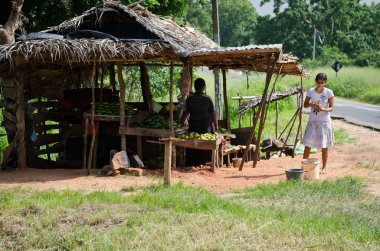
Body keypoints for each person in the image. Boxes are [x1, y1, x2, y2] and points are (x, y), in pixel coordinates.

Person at [180, 78, 219, 166]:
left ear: (194, 86)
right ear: (204, 87)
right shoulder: (207, 98)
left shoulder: (190, 98)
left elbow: (186, 112)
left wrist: (181, 122)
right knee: (206, 142)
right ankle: (206, 162)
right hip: (206, 125)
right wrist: (216, 125)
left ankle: (193, 163)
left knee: (193, 142)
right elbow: (213, 113)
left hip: (194, 124)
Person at [303, 73, 334, 173]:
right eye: (318, 82)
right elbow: (305, 105)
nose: (320, 84)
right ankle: (304, 165)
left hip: (324, 122)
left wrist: (323, 109)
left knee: (324, 145)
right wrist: (312, 104)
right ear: (315, 81)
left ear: (325, 83)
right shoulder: (311, 91)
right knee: (308, 144)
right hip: (312, 121)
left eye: (322, 83)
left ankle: (324, 167)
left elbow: (331, 108)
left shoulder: (329, 92)